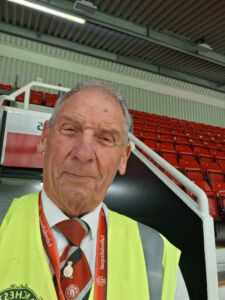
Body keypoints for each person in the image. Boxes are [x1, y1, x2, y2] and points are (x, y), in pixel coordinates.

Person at [0, 81, 189, 300]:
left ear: (124, 158)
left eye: (105, 139)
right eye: (70, 130)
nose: (83, 154)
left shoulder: (159, 258)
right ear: (44, 139)